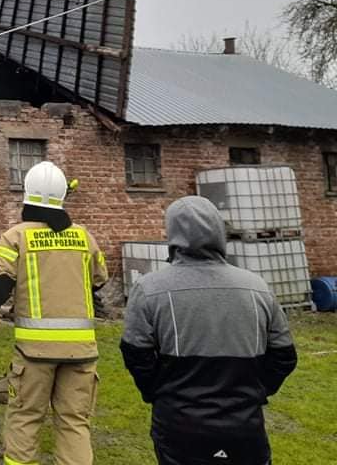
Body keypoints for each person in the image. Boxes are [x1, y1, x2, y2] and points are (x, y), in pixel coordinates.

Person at [120, 196, 298, 465]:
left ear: (173, 235)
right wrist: (255, 390)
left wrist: (161, 392)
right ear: (219, 231)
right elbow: (283, 356)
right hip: (244, 426)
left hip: (179, 426)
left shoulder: (149, 289)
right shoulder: (257, 287)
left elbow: (136, 356)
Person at [0, 161, 107, 465]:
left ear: (26, 194)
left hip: (34, 353)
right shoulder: (84, 237)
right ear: (62, 196)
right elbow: (100, 280)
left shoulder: (15, 237)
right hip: (81, 352)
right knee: (74, 423)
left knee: (25, 419)